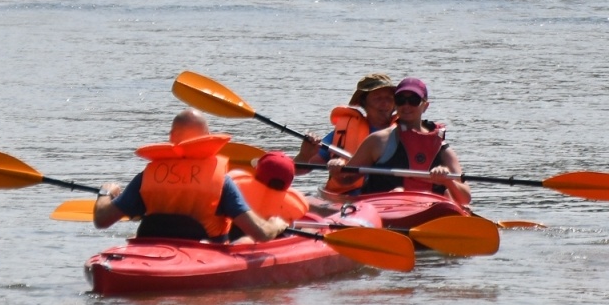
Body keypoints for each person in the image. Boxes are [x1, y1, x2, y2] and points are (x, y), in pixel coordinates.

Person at [93, 108, 289, 242]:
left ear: (172, 137)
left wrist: (105, 192)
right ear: (207, 139)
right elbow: (261, 234)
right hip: (202, 255)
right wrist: (276, 225)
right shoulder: (220, 181)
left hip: (150, 249)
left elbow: (102, 220)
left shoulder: (148, 176)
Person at [332, 77, 470, 205]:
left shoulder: (442, 148)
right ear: (395, 105)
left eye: (414, 100)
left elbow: (465, 199)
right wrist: (337, 168)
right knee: (397, 191)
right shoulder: (377, 141)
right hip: (383, 211)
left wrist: (448, 181)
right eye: (400, 100)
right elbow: (346, 180)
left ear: (425, 106)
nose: (406, 106)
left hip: (429, 213)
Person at [296, 73, 396, 196]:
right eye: (377, 98)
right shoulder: (344, 131)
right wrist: (304, 155)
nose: (385, 103)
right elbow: (298, 170)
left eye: (389, 98)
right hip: (350, 198)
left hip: (394, 198)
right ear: (364, 102)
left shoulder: (404, 130)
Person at [228, 151, 310, 236]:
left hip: (232, 234)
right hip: (271, 240)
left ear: (257, 170)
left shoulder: (235, 184)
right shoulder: (295, 203)